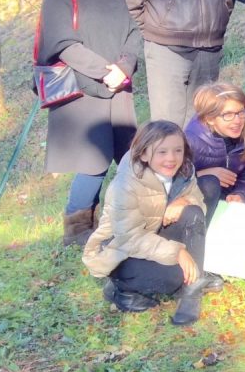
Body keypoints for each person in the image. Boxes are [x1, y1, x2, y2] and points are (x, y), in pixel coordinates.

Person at [37, 0, 143, 247]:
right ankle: (77, 229)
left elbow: (133, 35)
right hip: (81, 90)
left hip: (118, 87)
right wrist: (104, 71)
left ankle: (126, 220)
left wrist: (123, 67)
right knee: (92, 162)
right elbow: (63, 44)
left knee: (129, 157)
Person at [82, 120, 220, 326]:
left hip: (155, 238)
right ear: (144, 154)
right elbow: (130, 239)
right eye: (162, 152)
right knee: (173, 278)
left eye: (177, 150)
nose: (171, 158)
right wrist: (178, 253)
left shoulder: (184, 170)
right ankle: (123, 290)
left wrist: (184, 201)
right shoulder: (124, 186)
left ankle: (193, 289)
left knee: (199, 201)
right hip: (124, 252)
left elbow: (199, 203)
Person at [184, 82, 245, 222]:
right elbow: (173, 181)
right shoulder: (190, 140)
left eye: (241, 112)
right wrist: (204, 173)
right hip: (197, 204)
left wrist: (241, 196)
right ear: (210, 119)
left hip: (226, 206)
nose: (237, 121)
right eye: (228, 114)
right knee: (210, 183)